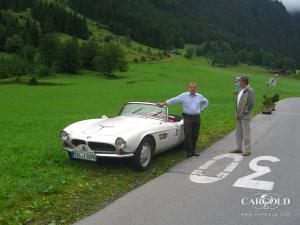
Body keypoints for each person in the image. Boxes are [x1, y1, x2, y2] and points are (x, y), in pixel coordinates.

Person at [157, 82, 209, 158]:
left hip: (197, 117)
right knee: (188, 134)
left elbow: (206, 101)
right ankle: (189, 152)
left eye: (194, 87)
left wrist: (203, 108)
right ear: (188, 88)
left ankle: (193, 151)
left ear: (196, 88)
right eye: (191, 87)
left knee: (195, 134)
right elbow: (173, 100)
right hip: (187, 117)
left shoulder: (199, 96)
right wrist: (163, 104)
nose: (192, 89)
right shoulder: (184, 96)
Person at [231, 76, 255, 156]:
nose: (239, 83)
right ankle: (239, 148)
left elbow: (251, 104)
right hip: (238, 115)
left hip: (245, 116)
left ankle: (248, 150)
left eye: (240, 82)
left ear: (244, 82)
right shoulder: (242, 90)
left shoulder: (250, 90)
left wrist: (244, 112)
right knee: (238, 132)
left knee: (246, 133)